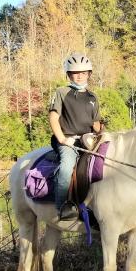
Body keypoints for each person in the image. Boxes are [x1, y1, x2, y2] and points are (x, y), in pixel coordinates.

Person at [49, 53, 102, 220]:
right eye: (75, 73)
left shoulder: (93, 97)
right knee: (66, 168)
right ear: (69, 75)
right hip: (68, 140)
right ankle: (62, 208)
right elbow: (53, 117)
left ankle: (94, 205)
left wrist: (100, 129)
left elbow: (96, 122)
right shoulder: (61, 92)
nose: (80, 76)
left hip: (88, 140)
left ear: (89, 74)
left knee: (102, 166)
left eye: (84, 73)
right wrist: (62, 139)